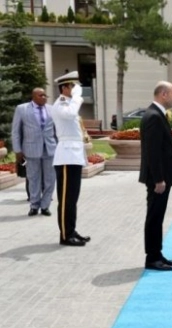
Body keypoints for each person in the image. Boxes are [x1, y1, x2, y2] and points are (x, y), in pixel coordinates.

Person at [139, 81, 172, 271]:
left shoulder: (157, 114)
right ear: (163, 94)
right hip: (158, 179)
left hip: (161, 177)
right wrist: (158, 179)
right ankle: (152, 257)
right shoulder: (154, 116)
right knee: (154, 216)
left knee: (158, 216)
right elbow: (152, 152)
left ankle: (157, 253)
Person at [51, 72, 91, 247]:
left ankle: (71, 230)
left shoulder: (68, 104)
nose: (76, 90)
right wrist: (77, 98)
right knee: (66, 198)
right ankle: (65, 235)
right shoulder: (60, 105)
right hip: (66, 156)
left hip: (73, 155)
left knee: (72, 198)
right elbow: (70, 114)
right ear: (64, 88)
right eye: (72, 86)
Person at [11, 88, 56, 217]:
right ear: (34, 96)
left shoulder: (51, 109)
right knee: (33, 178)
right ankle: (34, 205)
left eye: (45, 95)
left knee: (50, 179)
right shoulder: (22, 109)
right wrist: (18, 150)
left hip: (49, 149)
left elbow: (56, 129)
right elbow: (15, 131)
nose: (44, 97)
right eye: (41, 95)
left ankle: (45, 206)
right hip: (31, 150)